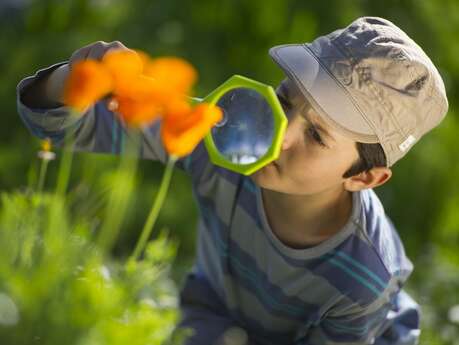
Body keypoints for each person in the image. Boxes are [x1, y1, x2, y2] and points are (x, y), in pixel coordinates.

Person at [17, 17, 448, 345]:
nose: (279, 134)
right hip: (215, 316)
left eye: (316, 134)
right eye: (283, 101)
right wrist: (75, 81)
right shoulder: (224, 137)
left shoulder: (364, 278)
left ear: (366, 177)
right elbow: (55, 124)